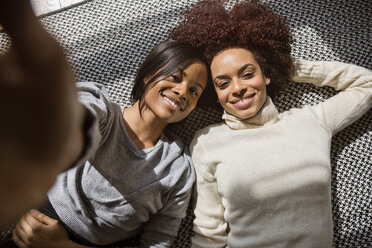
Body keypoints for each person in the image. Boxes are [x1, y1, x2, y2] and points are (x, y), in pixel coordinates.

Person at [169, 0, 372, 247]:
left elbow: (367, 84)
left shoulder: (312, 121)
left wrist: (288, 68)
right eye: (223, 83)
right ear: (215, 93)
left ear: (265, 75)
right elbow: (208, 234)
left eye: (247, 74)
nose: (238, 88)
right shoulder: (206, 142)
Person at [0, 1, 84, 229]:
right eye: (175, 78)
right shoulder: (98, 103)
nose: (181, 91)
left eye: (194, 91)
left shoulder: (176, 166)